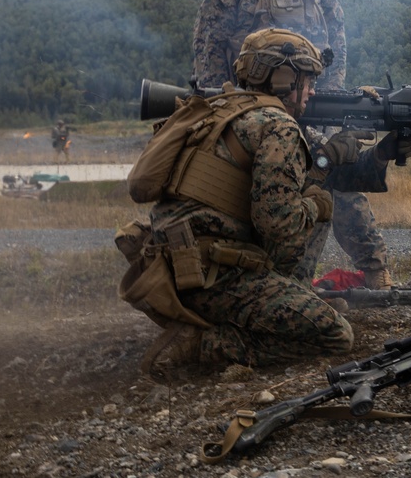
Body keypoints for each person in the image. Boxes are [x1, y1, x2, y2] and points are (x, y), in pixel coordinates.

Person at [135, 28, 367, 380]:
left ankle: (291, 298)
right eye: (307, 80)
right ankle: (206, 344)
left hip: (173, 269)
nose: (312, 91)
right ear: (285, 79)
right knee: (336, 334)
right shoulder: (280, 127)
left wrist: (319, 171)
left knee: (309, 196)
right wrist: (318, 196)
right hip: (213, 280)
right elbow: (281, 230)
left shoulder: (219, 111)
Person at [191, 0, 396, 291]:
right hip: (248, 112)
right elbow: (209, 55)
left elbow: (336, 51)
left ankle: (373, 271)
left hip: (307, 106)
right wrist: (227, 106)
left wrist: (323, 104)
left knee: (334, 174)